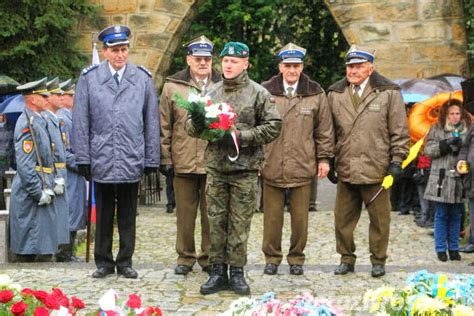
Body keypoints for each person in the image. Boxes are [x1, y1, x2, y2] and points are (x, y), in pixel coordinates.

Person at [186, 41, 281, 295]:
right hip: (216, 168)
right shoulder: (211, 93)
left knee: (240, 224)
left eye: (234, 61)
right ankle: (217, 271)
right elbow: (191, 128)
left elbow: (274, 125)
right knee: (215, 221)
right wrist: (196, 120)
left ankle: (237, 272)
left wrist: (242, 136)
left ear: (245, 64)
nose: (228, 65)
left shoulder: (258, 93)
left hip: (245, 170)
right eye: (225, 61)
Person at [72, 25, 160, 278]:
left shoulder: (142, 79)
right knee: (104, 212)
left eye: (124, 49)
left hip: (131, 156)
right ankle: (103, 261)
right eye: (115, 50)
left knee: (128, 214)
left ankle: (125, 260)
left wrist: (151, 157)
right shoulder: (89, 79)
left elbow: (151, 120)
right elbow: (81, 121)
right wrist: (83, 157)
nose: (120, 55)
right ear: (105, 51)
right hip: (101, 157)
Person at [328, 45, 409, 277]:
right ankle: (346, 258)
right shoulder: (335, 93)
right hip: (346, 167)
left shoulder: (388, 92)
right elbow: (328, 131)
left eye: (358, 66)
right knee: (342, 220)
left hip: (378, 169)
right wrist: (328, 159)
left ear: (370, 68)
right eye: (350, 66)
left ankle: (378, 260)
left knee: (380, 220)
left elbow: (399, 130)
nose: (353, 71)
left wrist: (397, 161)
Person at [260, 42, 334, 276]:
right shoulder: (265, 91)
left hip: (303, 165)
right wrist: (256, 160)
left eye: (296, 66)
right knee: (272, 219)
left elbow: (324, 129)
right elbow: (255, 126)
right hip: (271, 164)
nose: (292, 70)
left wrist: (324, 159)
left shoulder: (315, 92)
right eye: (288, 66)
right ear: (280, 67)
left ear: (302, 67)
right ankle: (271, 258)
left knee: (300, 219)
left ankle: (296, 259)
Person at [160, 35, 220, 275]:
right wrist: (165, 158)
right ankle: (185, 258)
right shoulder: (173, 86)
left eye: (207, 59)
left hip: (213, 161)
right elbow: (164, 124)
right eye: (198, 59)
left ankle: (208, 257)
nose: (203, 63)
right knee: (185, 215)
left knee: (210, 214)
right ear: (189, 60)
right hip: (183, 159)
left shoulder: (222, 84)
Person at [9, 78, 57, 262]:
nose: (48, 98)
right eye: (43, 96)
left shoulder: (38, 120)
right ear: (32, 99)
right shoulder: (26, 124)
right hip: (31, 191)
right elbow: (25, 164)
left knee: (39, 243)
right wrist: (38, 192)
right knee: (27, 248)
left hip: (41, 184)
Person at [424, 99, 470, 261]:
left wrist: (461, 150)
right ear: (446, 114)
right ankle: (441, 249)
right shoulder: (436, 128)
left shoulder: (468, 129)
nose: (455, 117)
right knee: (442, 214)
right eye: (452, 113)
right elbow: (428, 150)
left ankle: (454, 248)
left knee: (457, 214)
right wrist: (445, 145)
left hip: (460, 179)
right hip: (441, 178)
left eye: (458, 113)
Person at [57, 79, 87, 261]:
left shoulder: (70, 116)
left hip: (76, 174)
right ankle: (65, 252)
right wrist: (82, 163)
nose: (75, 99)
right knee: (70, 212)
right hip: (70, 173)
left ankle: (70, 251)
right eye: (71, 96)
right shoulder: (63, 119)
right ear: (63, 98)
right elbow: (64, 152)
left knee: (76, 211)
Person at [44, 77, 70, 258]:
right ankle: (54, 252)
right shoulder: (47, 119)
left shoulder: (56, 119)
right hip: (51, 175)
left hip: (60, 173)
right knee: (52, 217)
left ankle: (60, 250)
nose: (61, 97)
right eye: (57, 94)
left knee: (61, 215)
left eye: (62, 94)